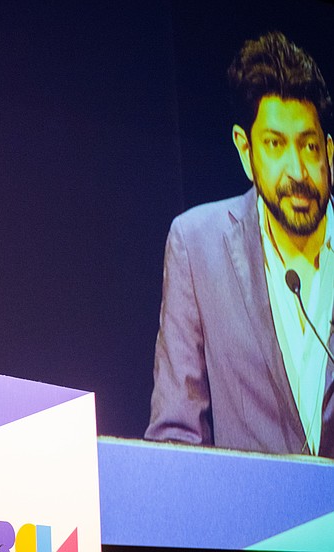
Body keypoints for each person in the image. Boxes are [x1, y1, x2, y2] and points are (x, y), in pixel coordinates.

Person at [145, 31, 334, 457]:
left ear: (330, 152)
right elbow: (177, 434)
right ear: (245, 151)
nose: (298, 170)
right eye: (275, 145)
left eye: (308, 145)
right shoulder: (197, 247)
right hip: (255, 523)